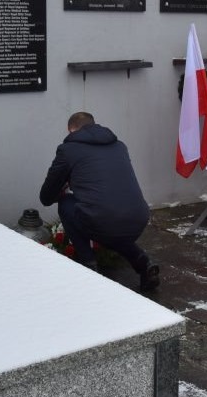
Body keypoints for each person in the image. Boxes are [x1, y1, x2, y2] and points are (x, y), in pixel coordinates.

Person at [39, 111, 160, 292]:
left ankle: (88, 265)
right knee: (109, 221)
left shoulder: (68, 150)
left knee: (68, 205)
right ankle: (144, 263)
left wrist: (64, 188)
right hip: (138, 217)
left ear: (71, 130)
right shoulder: (119, 146)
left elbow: (46, 197)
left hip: (105, 218)